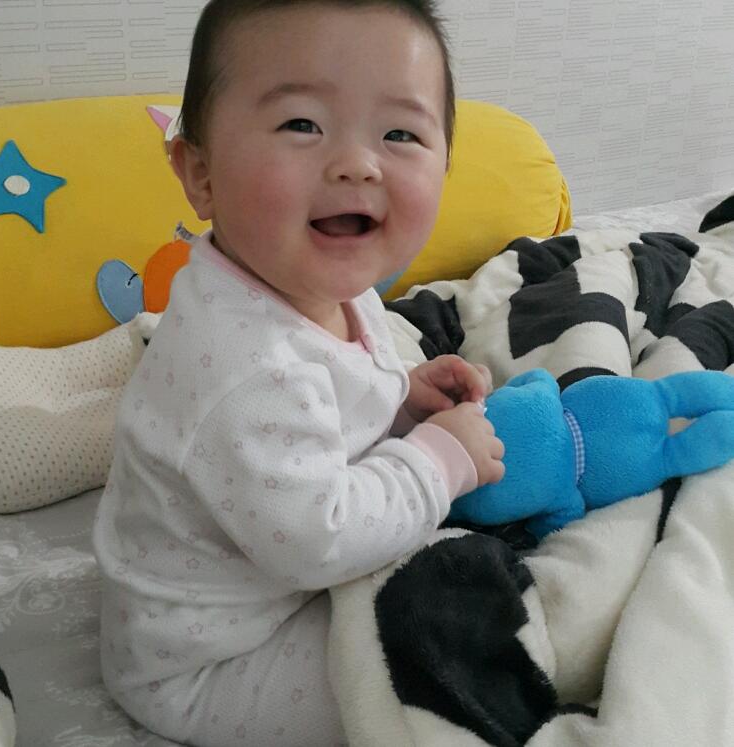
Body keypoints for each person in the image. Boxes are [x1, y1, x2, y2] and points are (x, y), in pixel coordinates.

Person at [93, 1, 505, 744]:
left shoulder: (327, 283)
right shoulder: (244, 369)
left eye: (400, 134)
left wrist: (401, 402)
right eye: (301, 124)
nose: (357, 163)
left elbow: (331, 398)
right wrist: (438, 460)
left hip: (279, 584)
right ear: (201, 174)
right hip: (211, 664)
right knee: (447, 649)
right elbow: (320, 537)